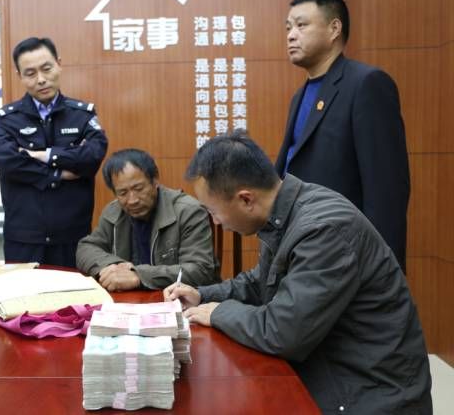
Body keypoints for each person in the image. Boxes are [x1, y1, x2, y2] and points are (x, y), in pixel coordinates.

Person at [165, 131, 432, 414]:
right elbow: (260, 282)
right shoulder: (285, 212)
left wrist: (218, 312)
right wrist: (202, 295)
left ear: (246, 199)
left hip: (370, 392)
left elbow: (283, 333)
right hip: (331, 368)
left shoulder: (324, 229)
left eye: (213, 211)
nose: (216, 222)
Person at [275, 0, 410, 272]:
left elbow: (386, 189)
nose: (291, 35)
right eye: (288, 28)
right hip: (302, 249)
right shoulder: (300, 96)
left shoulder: (367, 84)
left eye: (301, 25)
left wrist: (380, 269)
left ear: (334, 28)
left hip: (348, 257)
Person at [0, 37, 107, 266]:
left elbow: (92, 156)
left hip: (73, 237)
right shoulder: (6, 119)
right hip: (23, 239)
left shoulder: (82, 115)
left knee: (74, 290)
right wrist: (58, 173)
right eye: (30, 73)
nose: (41, 79)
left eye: (46, 68)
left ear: (59, 64)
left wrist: (45, 155)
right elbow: (8, 161)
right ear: (20, 76)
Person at [76, 149, 220, 291]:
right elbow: (86, 248)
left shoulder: (188, 211)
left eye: (138, 188)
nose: (132, 200)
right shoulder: (113, 211)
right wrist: (112, 268)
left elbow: (200, 270)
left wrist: (139, 276)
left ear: (155, 180)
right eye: (123, 193)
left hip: (181, 299)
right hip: (130, 300)